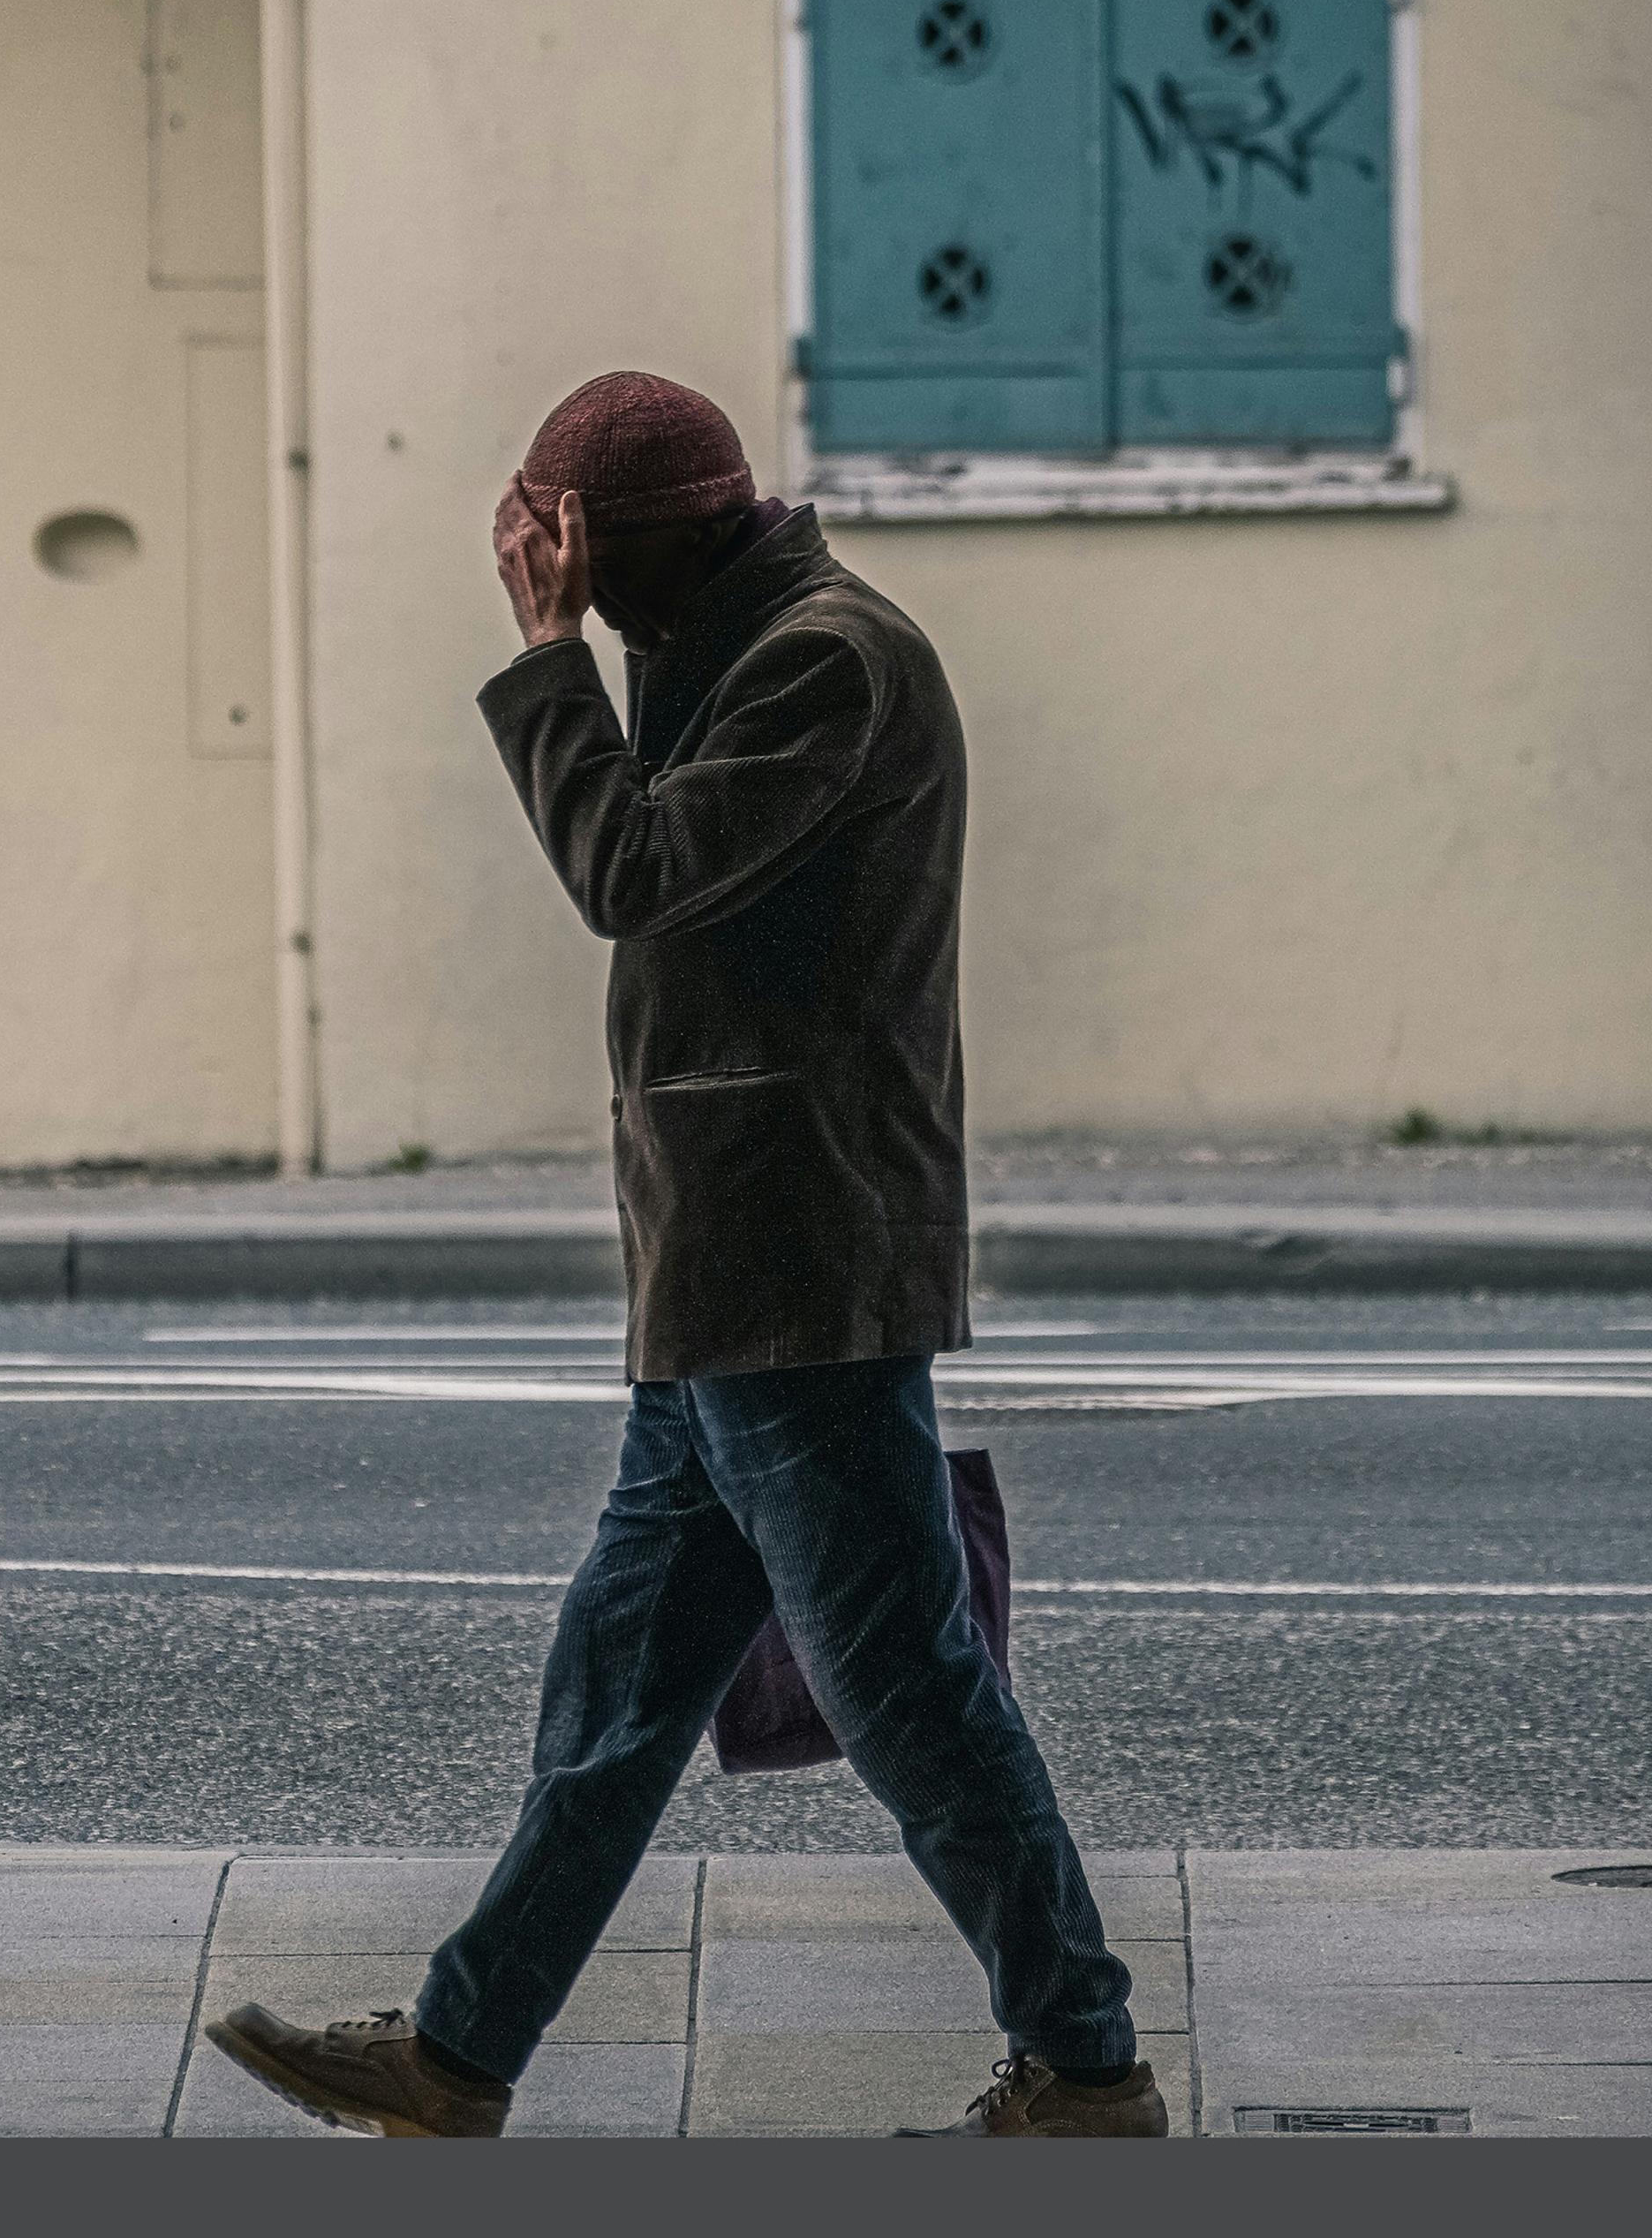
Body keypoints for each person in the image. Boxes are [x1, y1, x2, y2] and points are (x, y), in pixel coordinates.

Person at [205, 372, 1158, 2139]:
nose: (566, 583)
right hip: (726, 1282)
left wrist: (549, 644)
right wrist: (602, 623)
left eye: (584, 554)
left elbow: (630, 863)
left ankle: (1086, 2063)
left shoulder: (826, 660)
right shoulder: (740, 636)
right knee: (618, 1697)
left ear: (647, 552)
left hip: (794, 1279)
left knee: (915, 1698)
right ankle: (458, 2049)